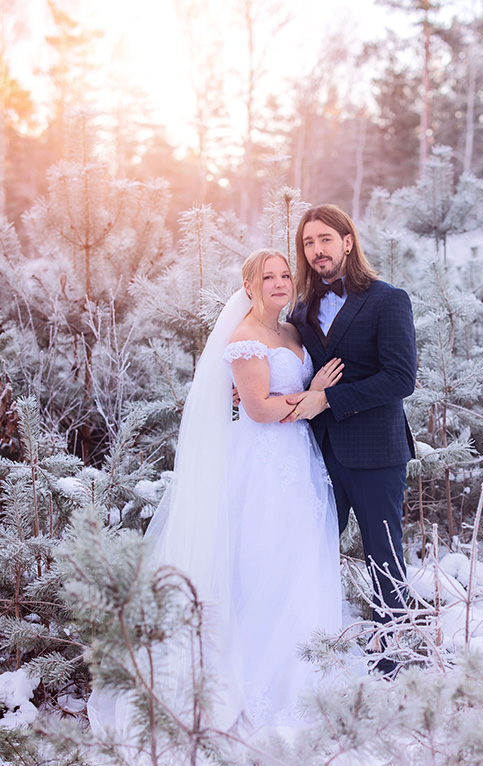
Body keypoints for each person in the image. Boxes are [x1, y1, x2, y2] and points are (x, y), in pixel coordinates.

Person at [87, 249, 343, 739]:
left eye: (285, 274)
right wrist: (317, 397)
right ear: (248, 287)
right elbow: (260, 411)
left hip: (298, 461)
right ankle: (254, 675)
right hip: (264, 465)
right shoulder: (245, 339)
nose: (278, 282)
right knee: (265, 563)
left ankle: (304, 663)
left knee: (299, 561)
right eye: (267, 277)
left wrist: (307, 398)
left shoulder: (291, 330)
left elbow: (277, 398)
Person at [286, 204, 417, 642]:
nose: (317, 250)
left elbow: (401, 378)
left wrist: (328, 398)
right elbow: (293, 364)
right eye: (308, 242)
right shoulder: (300, 311)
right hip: (318, 452)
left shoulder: (388, 300)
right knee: (311, 549)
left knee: (383, 555)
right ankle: (310, 650)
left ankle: (393, 655)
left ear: (347, 241)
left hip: (376, 451)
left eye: (325, 239)